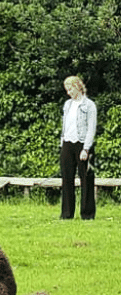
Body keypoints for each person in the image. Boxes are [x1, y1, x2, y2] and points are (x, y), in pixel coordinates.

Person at [60, 75, 97, 221]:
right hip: (68, 143)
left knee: (86, 179)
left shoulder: (89, 105)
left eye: (70, 89)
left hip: (82, 144)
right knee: (66, 179)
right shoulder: (67, 105)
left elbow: (91, 128)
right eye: (67, 90)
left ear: (77, 87)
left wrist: (86, 148)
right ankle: (67, 214)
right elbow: (65, 125)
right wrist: (62, 143)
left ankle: (87, 214)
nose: (68, 92)